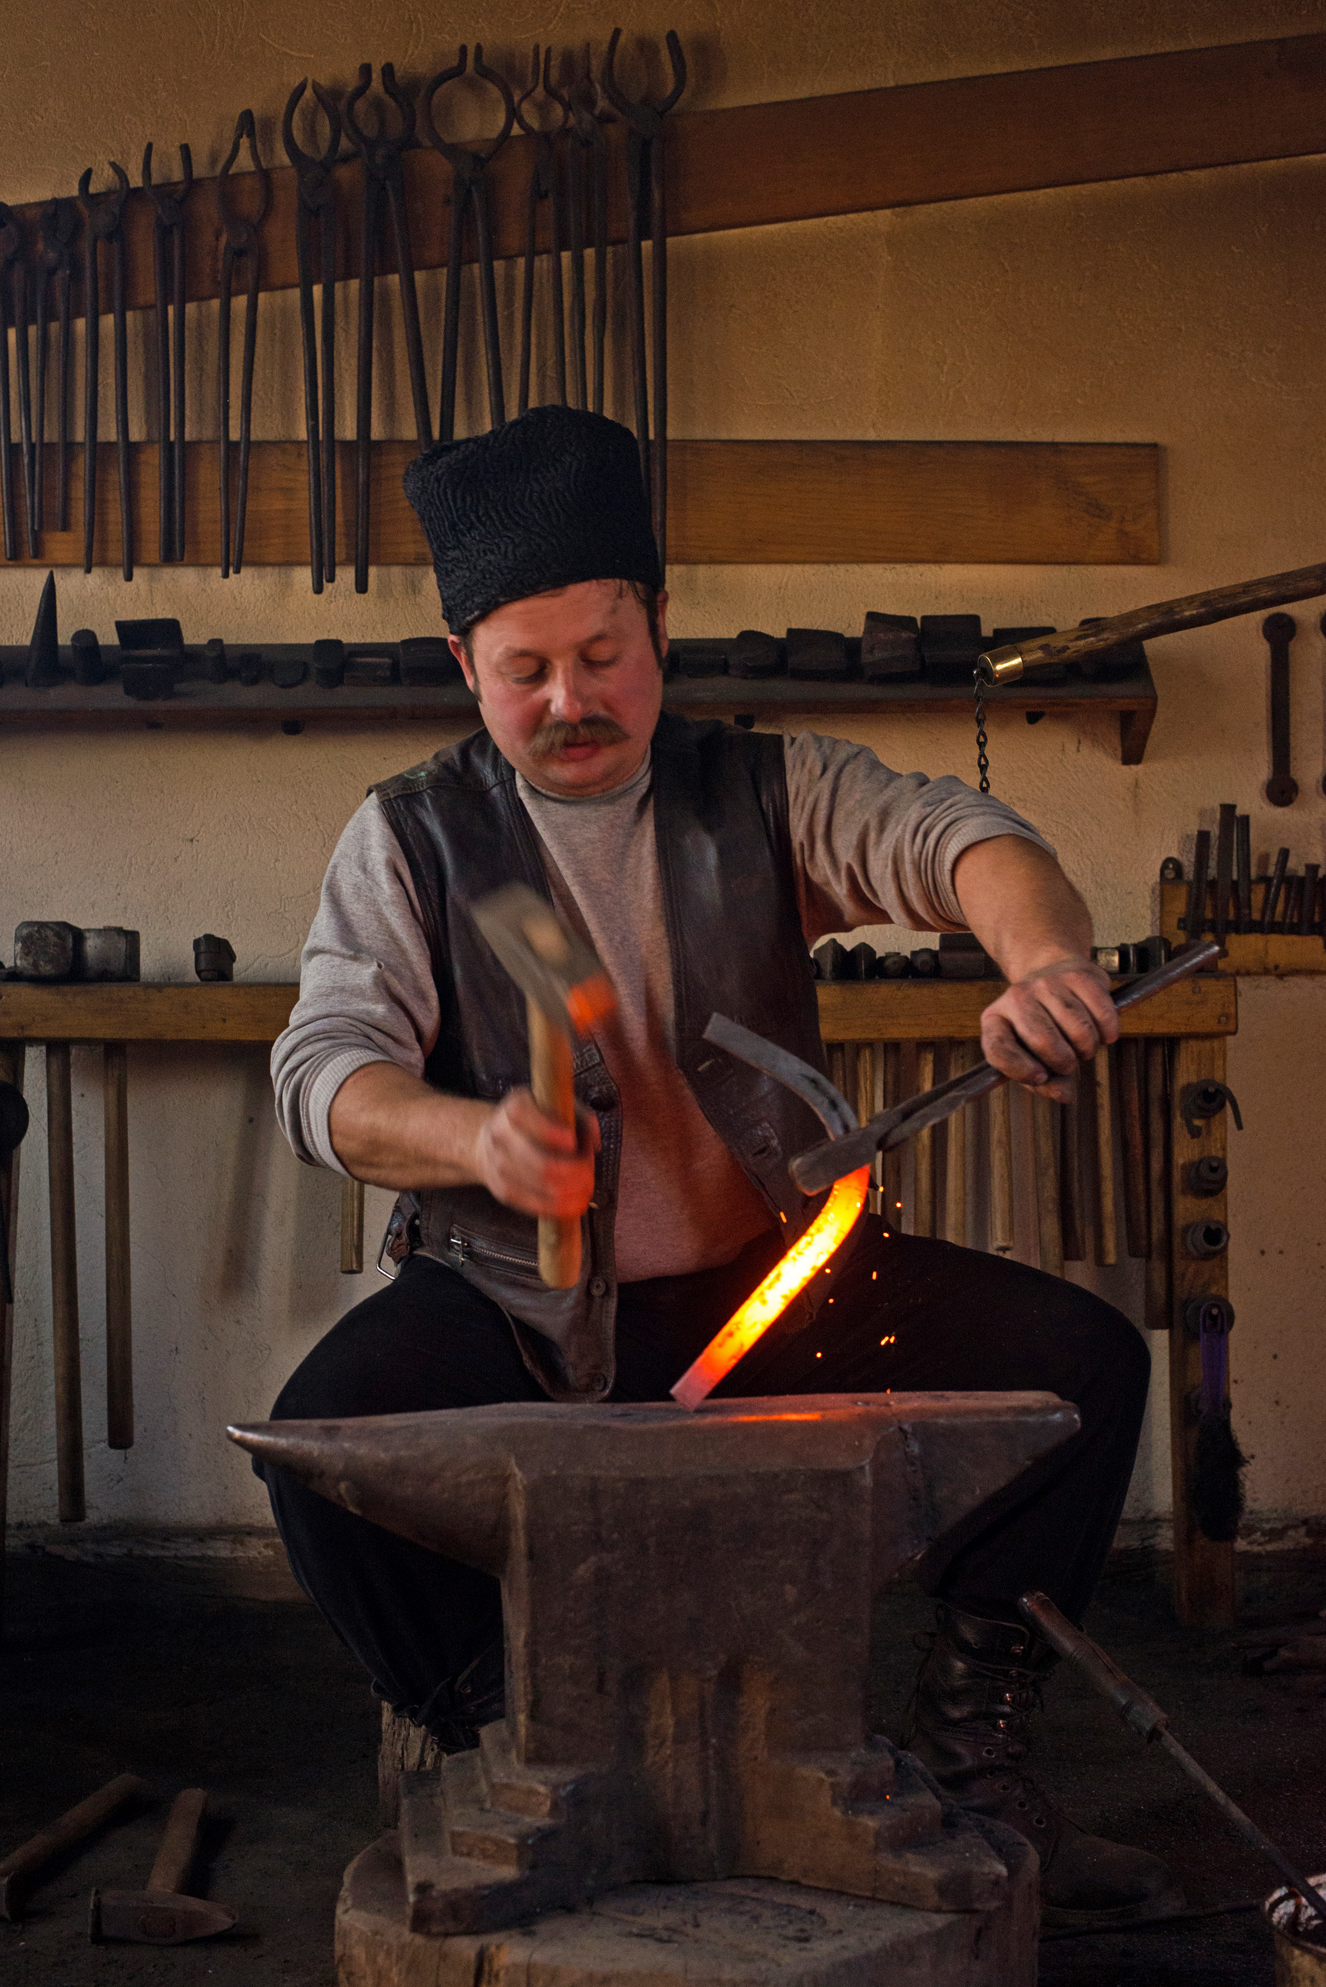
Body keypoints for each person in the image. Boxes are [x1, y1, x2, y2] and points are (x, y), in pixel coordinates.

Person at [265, 404, 1178, 1930]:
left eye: (604, 653)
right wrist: (469, 1137)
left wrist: (1037, 961)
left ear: (660, 627)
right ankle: (499, 1731)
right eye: (525, 668)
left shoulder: (762, 788)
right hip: (515, 1302)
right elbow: (322, 1071)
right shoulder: (412, 836)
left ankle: (975, 1756)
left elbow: (959, 835)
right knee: (320, 1444)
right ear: (463, 666)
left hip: (775, 1291)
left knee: (1081, 1368)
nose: (571, 700)